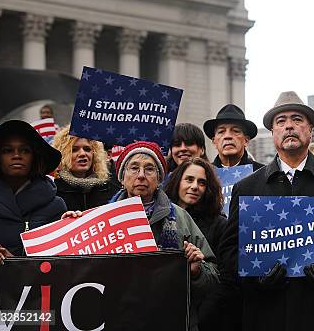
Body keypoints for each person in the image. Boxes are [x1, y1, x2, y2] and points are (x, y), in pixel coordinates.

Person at [215, 91, 314, 331]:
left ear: (310, 130)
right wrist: (256, 279)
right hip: (267, 313)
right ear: (273, 133)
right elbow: (228, 250)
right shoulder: (247, 187)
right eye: (281, 121)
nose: (289, 125)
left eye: (297, 119)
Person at [84, 141, 219, 331]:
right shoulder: (102, 220)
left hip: (172, 321)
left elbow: (212, 278)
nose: (141, 175)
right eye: (134, 168)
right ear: (122, 177)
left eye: (149, 169)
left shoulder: (181, 218)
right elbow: (82, 271)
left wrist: (196, 271)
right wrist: (73, 225)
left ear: (159, 178)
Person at [0, 120, 66, 258]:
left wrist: (74, 225)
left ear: (35, 157)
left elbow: (62, 262)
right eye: (7, 150)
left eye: (25, 150)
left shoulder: (56, 206)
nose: (17, 155)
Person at [163, 157, 227, 261]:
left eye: (202, 183)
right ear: (177, 181)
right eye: (189, 179)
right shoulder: (160, 215)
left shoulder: (219, 225)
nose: (195, 186)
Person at [51, 126, 118, 211]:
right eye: (74, 150)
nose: (82, 153)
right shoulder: (53, 192)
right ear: (62, 155)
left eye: (87, 149)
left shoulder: (111, 187)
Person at [203, 104, 264, 171]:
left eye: (235, 131)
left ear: (246, 140)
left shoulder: (262, 173)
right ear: (214, 142)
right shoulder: (205, 174)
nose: (227, 136)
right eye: (221, 131)